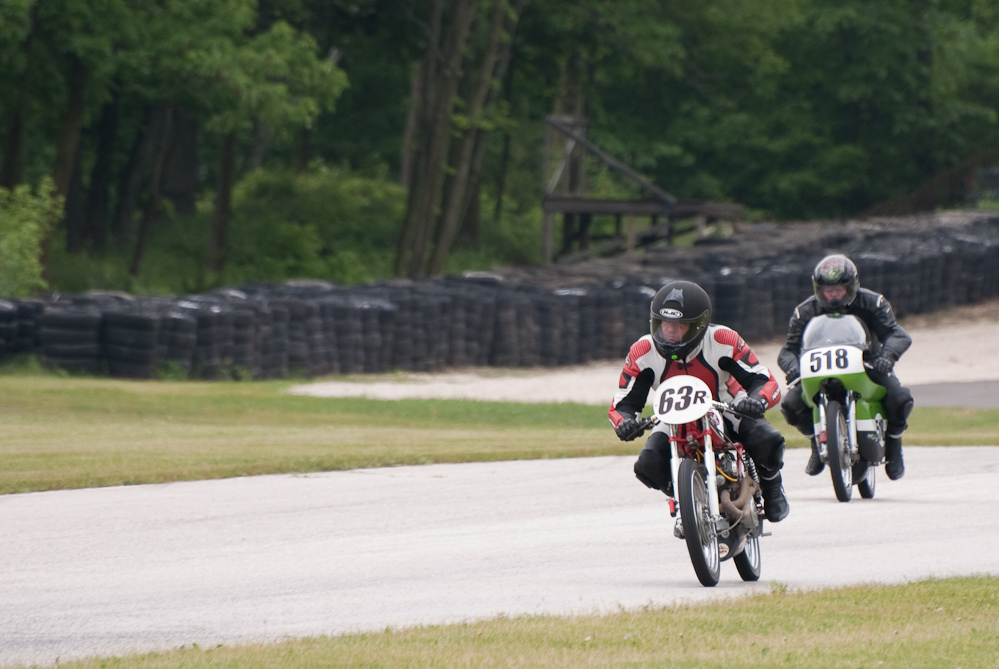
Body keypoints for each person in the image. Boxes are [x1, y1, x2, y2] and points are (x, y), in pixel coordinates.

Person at [609, 280, 789, 523]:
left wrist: (756, 401)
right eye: (664, 324)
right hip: (671, 417)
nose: (669, 331)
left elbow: (763, 379)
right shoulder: (642, 351)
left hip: (724, 407)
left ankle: (772, 485)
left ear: (698, 326)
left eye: (679, 325)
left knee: (767, 439)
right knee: (646, 465)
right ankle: (687, 497)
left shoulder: (724, 338)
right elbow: (623, 404)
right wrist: (625, 423)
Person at [777, 254, 913, 480]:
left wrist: (886, 357)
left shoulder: (873, 303)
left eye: (839, 290)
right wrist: (793, 367)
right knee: (790, 405)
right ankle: (815, 442)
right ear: (818, 289)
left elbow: (897, 334)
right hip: (819, 369)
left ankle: (894, 445)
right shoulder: (804, 311)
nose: (833, 295)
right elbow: (788, 349)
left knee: (900, 398)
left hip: (868, 365)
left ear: (852, 287)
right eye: (827, 290)